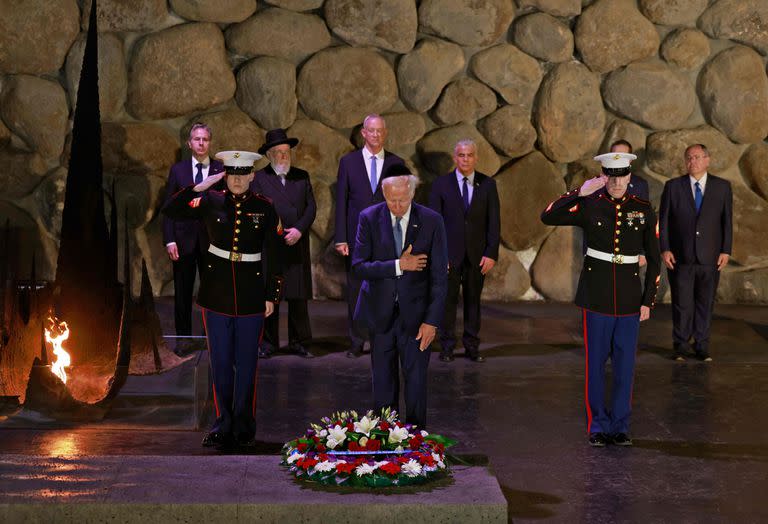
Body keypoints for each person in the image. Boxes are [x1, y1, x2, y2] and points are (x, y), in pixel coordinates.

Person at [162, 150, 283, 450]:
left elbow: (275, 255)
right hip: (215, 294)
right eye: (232, 174)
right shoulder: (210, 201)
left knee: (246, 364)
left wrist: (272, 295)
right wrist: (202, 186)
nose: (238, 180)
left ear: (252, 175)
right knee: (220, 363)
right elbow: (171, 208)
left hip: (251, 295)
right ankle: (222, 424)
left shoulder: (265, 208)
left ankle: (243, 426)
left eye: (243, 174)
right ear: (225, 175)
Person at [541, 152, 661, 448]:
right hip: (596, 298)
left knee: (624, 367)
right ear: (603, 176)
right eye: (611, 175)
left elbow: (655, 260)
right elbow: (548, 215)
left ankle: (620, 425)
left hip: (631, 300)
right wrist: (579, 192)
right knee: (595, 367)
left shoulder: (643, 209)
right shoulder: (589, 205)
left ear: (630, 176)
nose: (617, 182)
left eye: (622, 175)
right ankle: (598, 425)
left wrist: (648, 300)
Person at [352, 164, 448, 429]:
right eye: (392, 200)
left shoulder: (431, 221)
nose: (397, 205)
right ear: (384, 195)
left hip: (417, 318)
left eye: (403, 200)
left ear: (412, 193)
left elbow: (440, 277)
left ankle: (416, 444)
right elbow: (359, 266)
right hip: (380, 314)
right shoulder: (368, 218)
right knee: (383, 384)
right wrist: (398, 265)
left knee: (416, 383)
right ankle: (386, 440)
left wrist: (432, 321)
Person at [335, 114, 405, 358]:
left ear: (384, 133)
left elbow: (404, 204)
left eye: (379, 131)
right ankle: (356, 340)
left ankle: (382, 339)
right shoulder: (348, 162)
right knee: (356, 289)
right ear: (363, 133)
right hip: (356, 238)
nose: (375, 135)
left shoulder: (397, 163)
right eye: (371, 131)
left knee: (386, 290)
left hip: (387, 238)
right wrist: (341, 238)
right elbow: (342, 201)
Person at [428, 139, 500, 363]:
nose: (465, 159)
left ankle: (472, 346)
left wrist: (491, 253)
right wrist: (439, 255)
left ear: (476, 158)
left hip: (478, 256)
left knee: (473, 302)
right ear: (454, 158)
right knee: (447, 301)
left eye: (469, 155)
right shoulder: (441, 185)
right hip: (449, 256)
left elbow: (494, 222)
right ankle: (447, 346)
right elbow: (434, 223)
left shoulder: (488, 185)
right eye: (461, 155)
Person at [659, 144, 732, 362]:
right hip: (680, 256)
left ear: (707, 160)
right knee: (682, 302)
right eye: (689, 158)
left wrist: (725, 250)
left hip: (710, 257)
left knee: (705, 302)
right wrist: (665, 248)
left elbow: (727, 222)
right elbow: (663, 222)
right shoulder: (673, 187)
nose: (694, 161)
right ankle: (681, 345)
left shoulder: (722, 187)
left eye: (698, 157)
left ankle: (701, 345)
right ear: (685, 161)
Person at [251, 129, 316, 359]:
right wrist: (277, 233)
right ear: (269, 155)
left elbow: (311, 208)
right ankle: (268, 343)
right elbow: (259, 210)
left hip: (296, 243)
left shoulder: (302, 176)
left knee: (298, 296)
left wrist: (298, 229)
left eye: (286, 152)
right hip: (272, 245)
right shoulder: (259, 179)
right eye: (277, 153)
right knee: (272, 294)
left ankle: (300, 342)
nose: (282, 156)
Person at [162, 123, 224, 341]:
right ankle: (183, 338)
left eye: (205, 139)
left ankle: (212, 336)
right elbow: (168, 207)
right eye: (197, 139)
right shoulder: (178, 170)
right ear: (189, 143)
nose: (201, 143)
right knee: (183, 292)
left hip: (211, 241)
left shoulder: (219, 170)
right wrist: (169, 240)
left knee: (212, 291)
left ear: (210, 142)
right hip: (183, 239)